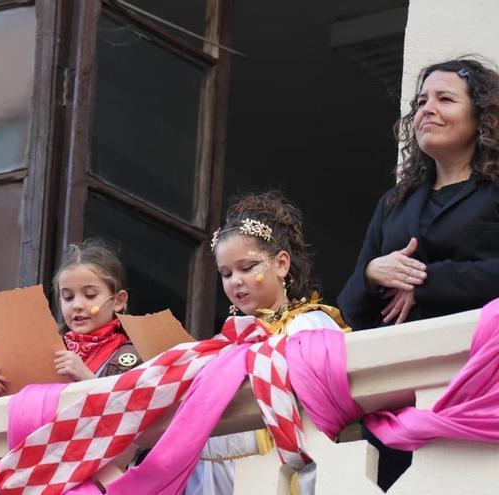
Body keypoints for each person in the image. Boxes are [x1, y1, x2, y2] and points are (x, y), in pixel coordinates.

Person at [338, 57, 499, 491]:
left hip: (479, 382)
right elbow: (352, 308)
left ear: (481, 115)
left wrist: (424, 279)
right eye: (421, 101)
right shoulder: (394, 203)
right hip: (398, 400)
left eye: (445, 99)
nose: (427, 109)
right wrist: (374, 272)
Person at [191, 191, 349, 495]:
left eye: (247, 267)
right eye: (226, 273)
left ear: (281, 264)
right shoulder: (224, 345)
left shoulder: (309, 326)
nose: (235, 280)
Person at [0, 240, 141, 398]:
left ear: (118, 301)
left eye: (90, 295)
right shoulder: (43, 351)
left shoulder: (133, 355)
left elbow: (130, 413)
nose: (77, 305)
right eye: (68, 297)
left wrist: (87, 378)